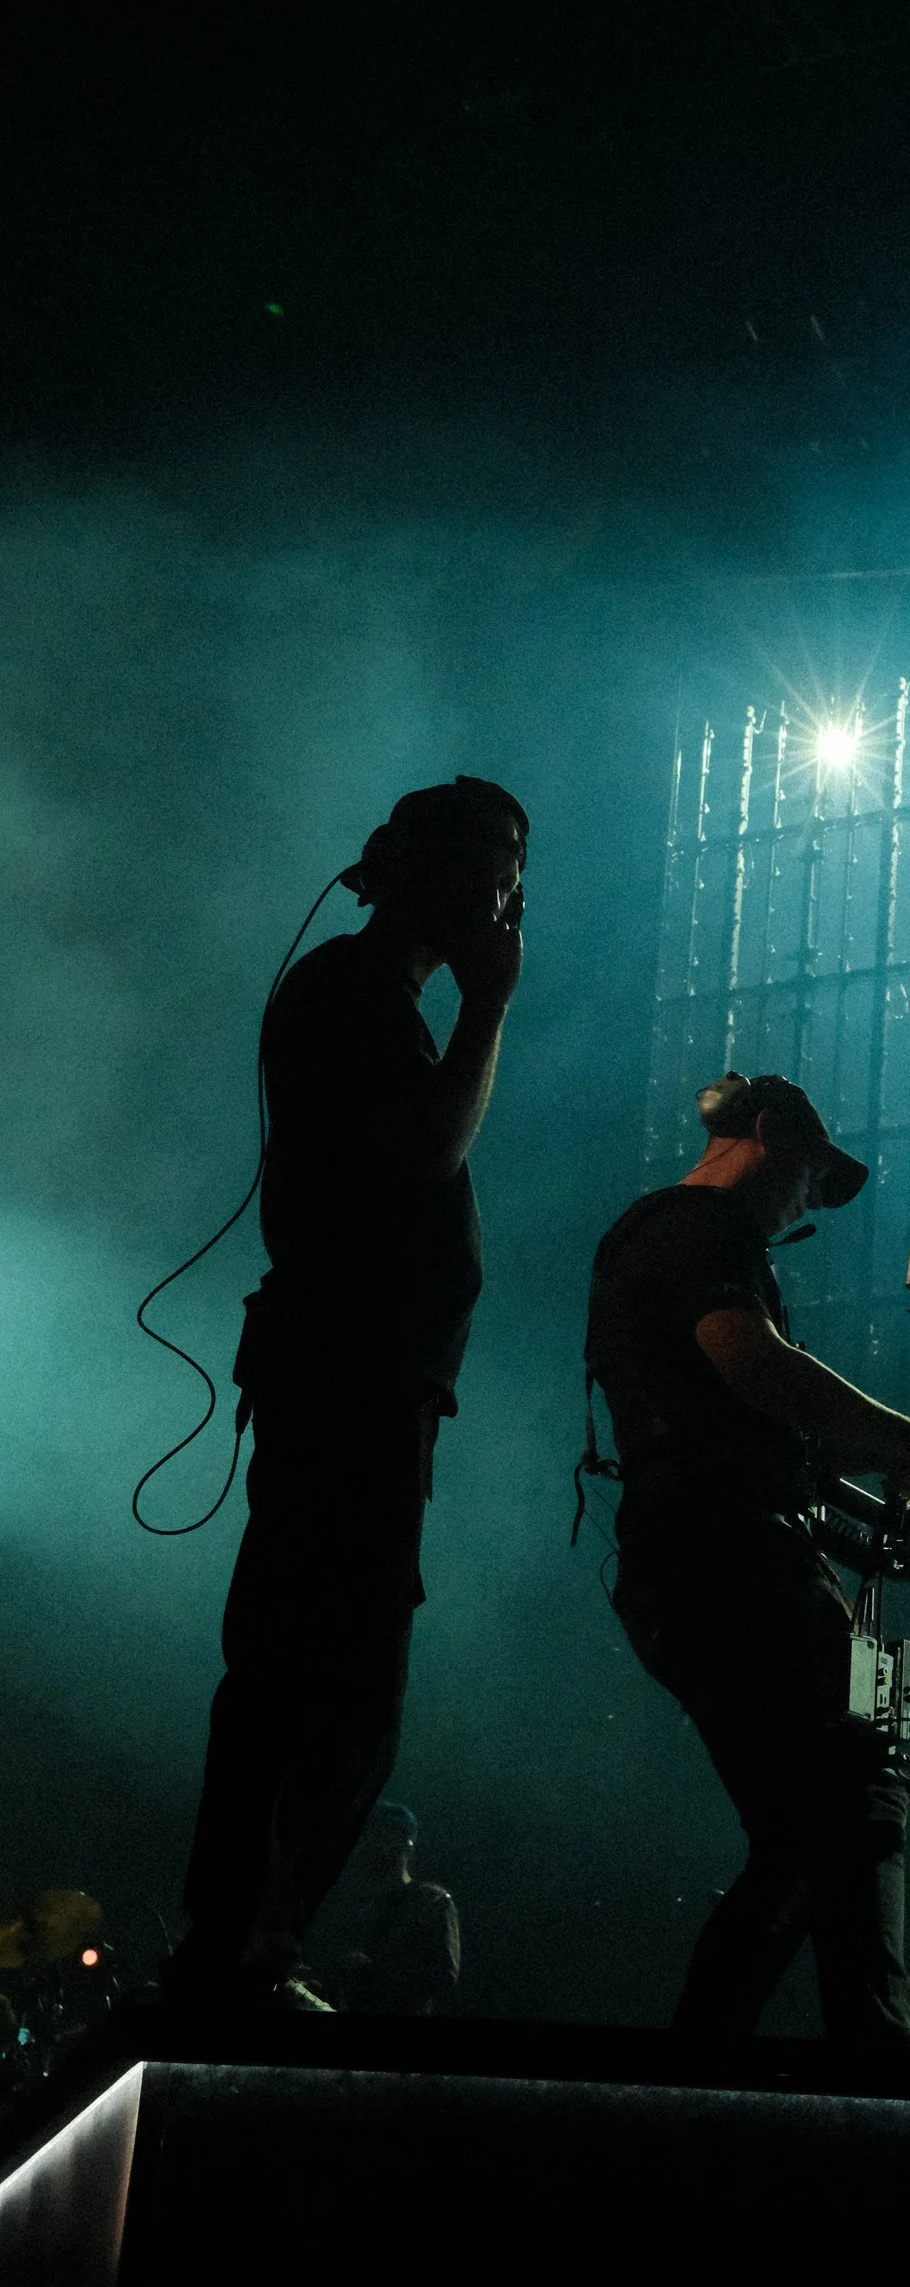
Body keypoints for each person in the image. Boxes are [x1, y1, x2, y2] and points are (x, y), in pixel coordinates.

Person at [163, 776, 528, 2018]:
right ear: (412, 865)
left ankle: (247, 1947)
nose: (507, 893)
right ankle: (235, 1954)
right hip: (349, 1375)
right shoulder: (347, 997)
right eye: (491, 859)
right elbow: (427, 1149)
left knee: (326, 1676)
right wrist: (489, 1003)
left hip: (368, 1382)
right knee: (317, 1675)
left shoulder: (373, 1002)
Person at [586, 1071, 910, 2048]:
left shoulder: (653, 1239)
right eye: (810, 1180)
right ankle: (857, 2070)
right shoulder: (708, 1231)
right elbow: (758, 1365)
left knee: (814, 1830)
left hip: (680, 1561)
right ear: (769, 1134)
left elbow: (760, 1420)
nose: (805, 1206)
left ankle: (739, 2073)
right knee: (851, 1799)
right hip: (728, 1559)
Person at [329, 1801, 462, 2016]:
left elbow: (445, 1976)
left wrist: (374, 1970)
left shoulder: (432, 1901)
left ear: (407, 1844)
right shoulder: (368, 1906)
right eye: (371, 1836)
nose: (371, 1844)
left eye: (383, 1835)